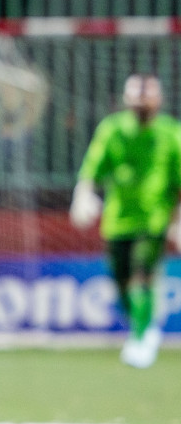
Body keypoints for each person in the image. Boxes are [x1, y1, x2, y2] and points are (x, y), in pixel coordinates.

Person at [70, 74, 181, 368]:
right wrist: (82, 196)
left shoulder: (171, 133)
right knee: (121, 282)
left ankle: (142, 337)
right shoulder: (112, 129)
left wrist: (178, 220)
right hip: (118, 220)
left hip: (153, 218)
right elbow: (91, 169)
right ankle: (143, 326)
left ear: (158, 101)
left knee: (141, 276)